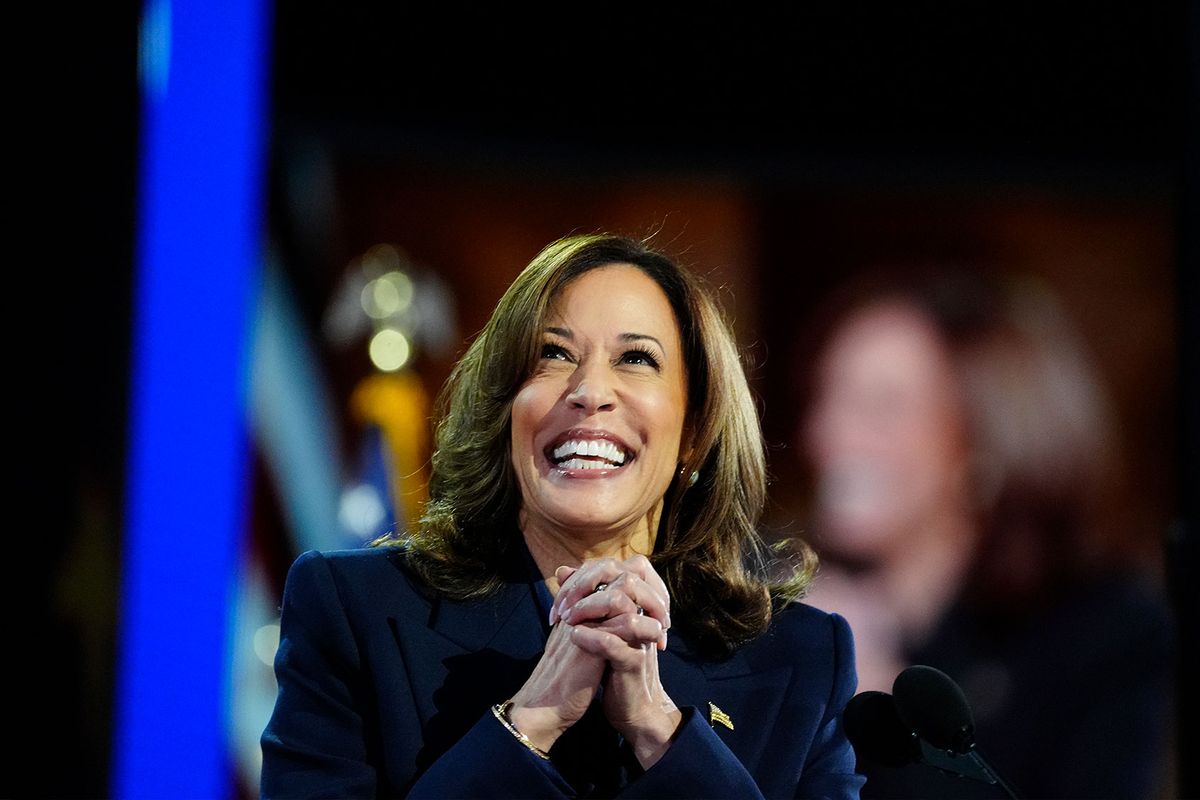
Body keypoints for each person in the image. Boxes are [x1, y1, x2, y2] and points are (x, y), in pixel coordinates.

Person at [260, 233, 865, 798]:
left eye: (636, 359)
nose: (590, 390)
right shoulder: (355, 612)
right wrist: (533, 718)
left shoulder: (802, 661)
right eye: (553, 354)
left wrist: (660, 731)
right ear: (505, 411)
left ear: (694, 433)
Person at [798, 271, 1175, 799]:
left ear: (983, 437)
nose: (829, 434)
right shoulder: (794, 610)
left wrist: (885, 710)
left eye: (882, 406)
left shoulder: (1103, 631)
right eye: (828, 395)